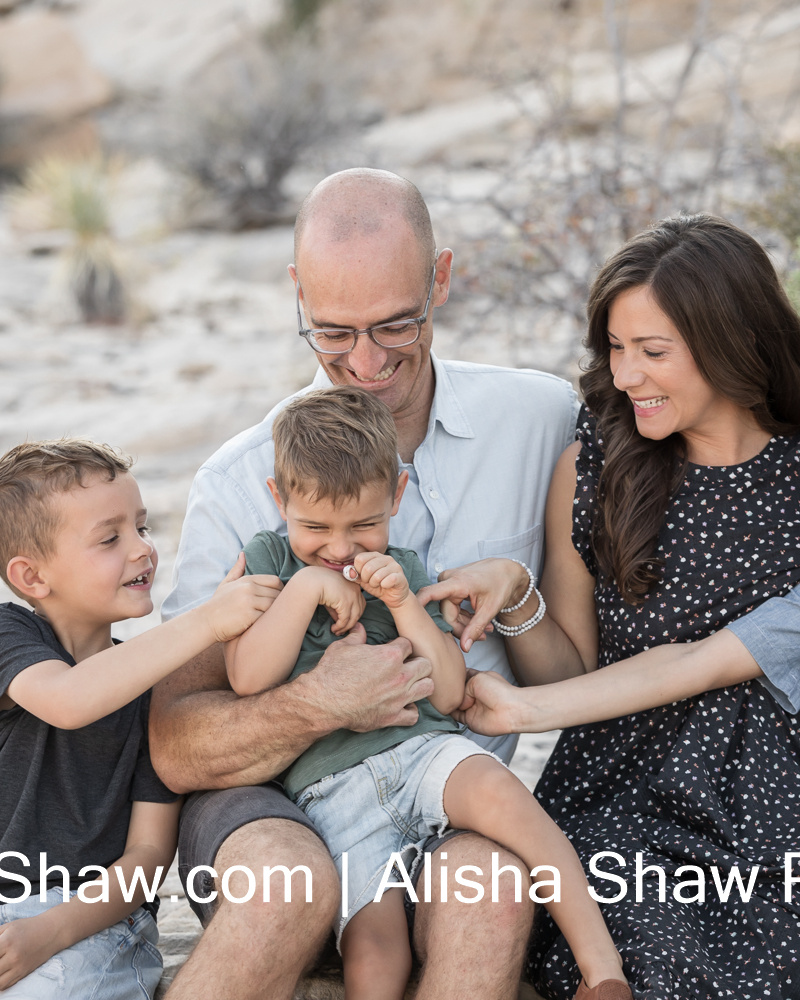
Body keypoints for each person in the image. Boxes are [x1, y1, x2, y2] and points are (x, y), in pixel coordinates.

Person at [150, 167, 580, 1000]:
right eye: (332, 333)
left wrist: (519, 595)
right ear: (297, 294)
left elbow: (574, 672)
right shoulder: (239, 482)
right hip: (272, 801)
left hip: (444, 789)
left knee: (489, 893)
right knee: (284, 882)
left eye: (395, 325)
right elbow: (173, 744)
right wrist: (317, 702)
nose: (367, 363)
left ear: (442, 280)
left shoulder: (542, 420)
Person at [419, 214, 800, 999]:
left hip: (775, 802)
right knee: (652, 955)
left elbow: (702, 660)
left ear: (733, 342)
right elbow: (581, 674)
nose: (626, 377)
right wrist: (522, 602)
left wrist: (522, 708)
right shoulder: (595, 468)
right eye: (616, 350)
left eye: (653, 352)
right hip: (627, 796)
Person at [225, 385, 632, 1000]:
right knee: (372, 944)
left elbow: (446, 695)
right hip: (332, 793)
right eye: (315, 527)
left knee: (508, 801)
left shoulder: (407, 568)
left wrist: (402, 604)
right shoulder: (267, 560)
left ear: (396, 495)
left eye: (365, 524)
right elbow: (247, 678)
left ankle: (601, 971)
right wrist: (305, 587)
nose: (340, 549)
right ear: (278, 500)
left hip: (424, 756)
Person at [0, 439, 274, 998]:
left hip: (95, 925)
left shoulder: (155, 690)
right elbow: (69, 700)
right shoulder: (11, 636)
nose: (142, 549)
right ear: (31, 578)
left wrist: (48, 933)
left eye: (142, 528)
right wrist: (206, 621)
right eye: (110, 538)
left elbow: (148, 858)